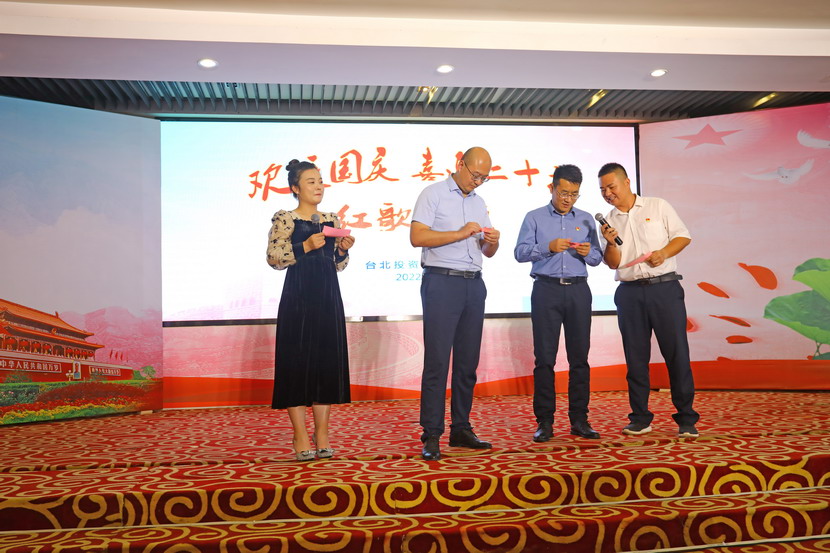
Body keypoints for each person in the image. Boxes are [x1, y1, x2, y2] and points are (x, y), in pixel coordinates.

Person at [410, 146, 501, 461]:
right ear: (460, 164)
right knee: (437, 362)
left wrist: (492, 242)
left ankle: (461, 428)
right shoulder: (433, 193)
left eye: (484, 178)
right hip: (442, 282)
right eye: (475, 174)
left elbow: (487, 251)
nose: (478, 181)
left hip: (473, 284)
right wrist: (460, 233)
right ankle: (432, 433)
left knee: (467, 363)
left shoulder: (478, 203)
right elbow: (417, 237)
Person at [596, 162, 699, 438]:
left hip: (665, 289)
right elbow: (612, 263)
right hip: (629, 293)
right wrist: (609, 242)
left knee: (677, 354)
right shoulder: (608, 221)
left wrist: (664, 253)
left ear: (627, 182)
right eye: (603, 190)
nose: (607, 194)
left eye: (611, 187)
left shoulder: (657, 206)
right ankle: (640, 418)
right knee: (636, 358)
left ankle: (686, 418)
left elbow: (683, 236)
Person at [266, 159, 356, 461]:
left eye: (320, 181)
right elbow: (273, 257)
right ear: (295, 188)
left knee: (325, 365)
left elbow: (338, 265)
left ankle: (323, 434)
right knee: (296, 365)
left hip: (328, 298)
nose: (318, 187)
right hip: (298, 299)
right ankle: (300, 435)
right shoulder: (285, 218)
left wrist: (342, 249)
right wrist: (304, 246)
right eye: (311, 182)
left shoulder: (331, 219)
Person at [514, 164, 603, 442]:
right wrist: (547, 247)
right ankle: (545, 422)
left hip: (578, 291)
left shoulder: (586, 219)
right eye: (563, 192)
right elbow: (519, 253)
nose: (568, 199)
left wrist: (588, 253)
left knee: (580, 359)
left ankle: (579, 420)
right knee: (545, 359)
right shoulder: (534, 217)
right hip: (546, 290)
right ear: (551, 188)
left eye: (574, 194)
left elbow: (597, 258)